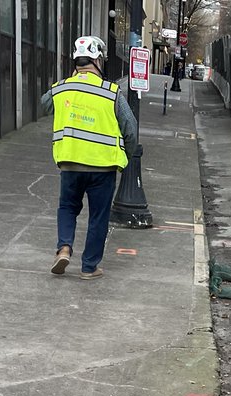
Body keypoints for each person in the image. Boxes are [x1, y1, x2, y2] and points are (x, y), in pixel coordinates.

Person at [40, 36, 137, 280]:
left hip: (70, 163)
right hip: (103, 168)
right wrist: (127, 155)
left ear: (76, 61)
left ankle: (63, 248)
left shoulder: (60, 88)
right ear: (97, 60)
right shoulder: (112, 93)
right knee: (98, 217)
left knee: (67, 208)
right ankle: (89, 267)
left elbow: (45, 105)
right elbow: (130, 128)